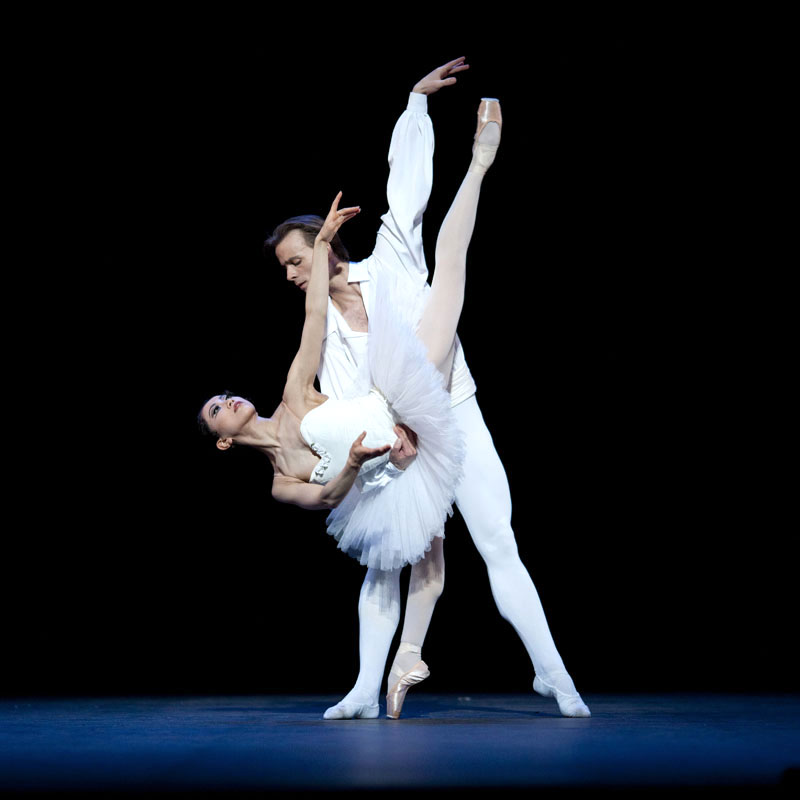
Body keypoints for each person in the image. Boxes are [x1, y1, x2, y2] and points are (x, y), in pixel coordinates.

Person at [266, 59, 591, 719]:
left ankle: (555, 676)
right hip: (400, 441)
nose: (293, 274)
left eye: (297, 260)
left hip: (457, 416)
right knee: (386, 564)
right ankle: (363, 688)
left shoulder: (390, 258)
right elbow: (353, 403)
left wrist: (415, 106)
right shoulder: (323, 335)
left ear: (327, 245)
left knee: (498, 539)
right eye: (285, 270)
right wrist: (388, 446)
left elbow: (407, 186)